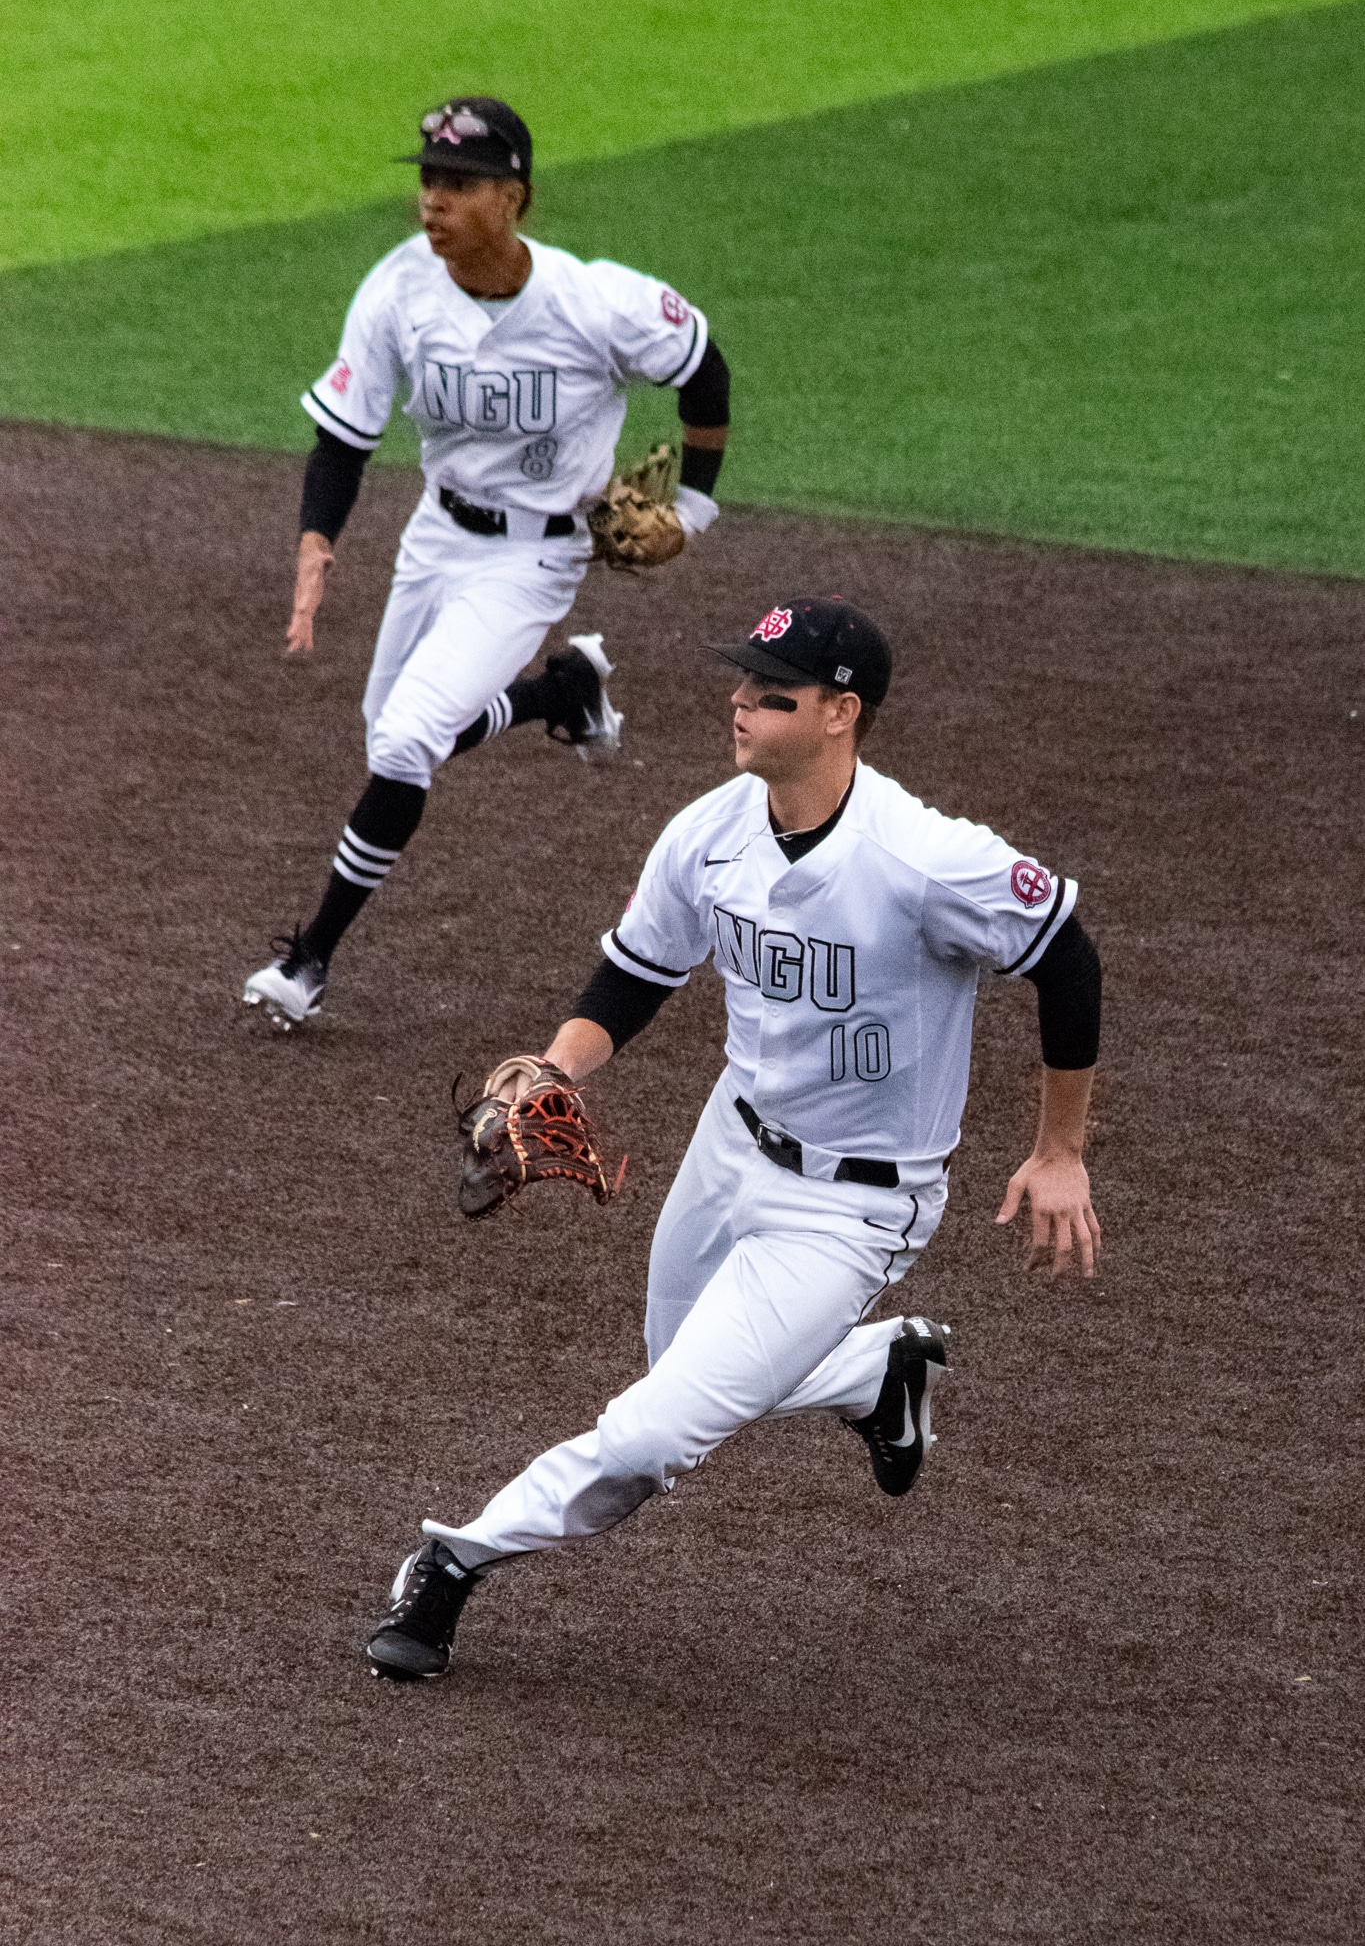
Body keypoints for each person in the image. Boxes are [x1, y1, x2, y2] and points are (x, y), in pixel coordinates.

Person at [364, 595, 1104, 1682]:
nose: (740, 701)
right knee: (682, 1370)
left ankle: (453, 1560)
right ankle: (878, 1373)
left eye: (773, 691)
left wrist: (1060, 1149)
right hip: (732, 1143)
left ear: (841, 712)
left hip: (852, 1206)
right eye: (744, 681)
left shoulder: (927, 858)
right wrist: (557, 1065)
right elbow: (634, 971)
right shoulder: (710, 833)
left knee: (655, 1435)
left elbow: (1067, 954)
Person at [242, 96, 731, 1029]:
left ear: (515, 198)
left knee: (404, 744)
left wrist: (695, 509)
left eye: (458, 184)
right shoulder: (398, 289)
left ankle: (309, 961)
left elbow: (702, 367)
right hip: (436, 536)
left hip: (534, 557)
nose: (433, 202)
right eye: (428, 181)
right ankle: (561, 693)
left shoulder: (597, 303)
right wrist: (317, 546)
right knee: (392, 734)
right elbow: (342, 437)